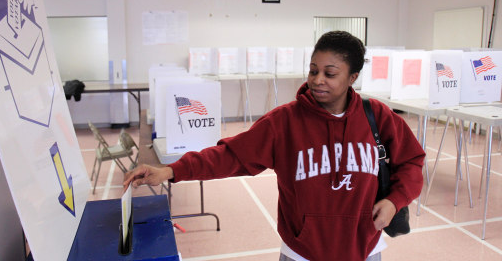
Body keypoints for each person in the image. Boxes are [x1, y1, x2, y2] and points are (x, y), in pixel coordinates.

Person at [124, 31, 425, 261]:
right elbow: (230, 156)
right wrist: (171, 171)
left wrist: (395, 200)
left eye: (330, 73)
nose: (318, 80)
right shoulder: (284, 122)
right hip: (302, 253)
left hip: (366, 250)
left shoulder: (378, 117)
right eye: (313, 70)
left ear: (353, 78)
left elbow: (411, 161)